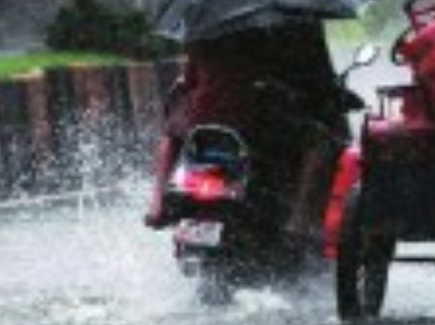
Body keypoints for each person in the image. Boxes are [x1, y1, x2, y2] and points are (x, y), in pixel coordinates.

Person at [144, 21, 346, 230]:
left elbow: (189, 79)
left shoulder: (203, 31)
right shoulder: (272, 33)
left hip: (202, 124)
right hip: (252, 123)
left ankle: (157, 202)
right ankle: (299, 219)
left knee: (170, 134)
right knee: (319, 142)